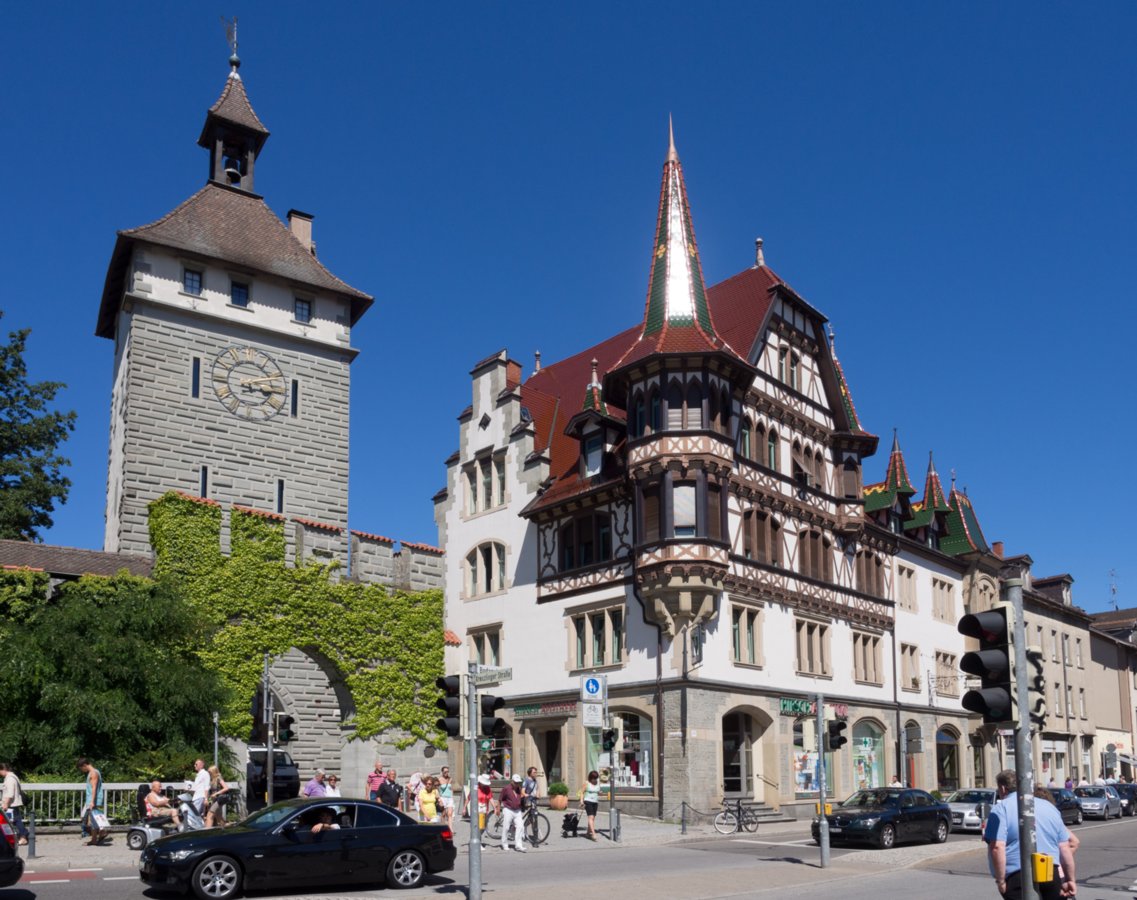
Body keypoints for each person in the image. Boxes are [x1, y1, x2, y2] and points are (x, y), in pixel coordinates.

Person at [984, 769, 1075, 899]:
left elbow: (997, 847)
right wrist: (1070, 879)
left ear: (1003, 788)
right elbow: (1064, 848)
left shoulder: (1000, 809)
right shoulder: (1049, 807)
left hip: (1017, 875)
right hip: (1050, 872)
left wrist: (1001, 880)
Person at [78, 758, 107, 845]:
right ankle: (94, 839)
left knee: (92, 818)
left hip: (92, 799)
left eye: (81, 768)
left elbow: (94, 788)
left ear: (84, 765)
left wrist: (92, 802)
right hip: (91, 799)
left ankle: (102, 831)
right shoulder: (94, 772)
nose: (82, 771)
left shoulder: (93, 773)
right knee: (93, 819)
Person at [0, 763, 28, 846]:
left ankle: (23, 837)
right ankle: (23, 836)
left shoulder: (9, 779)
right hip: (13, 803)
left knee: (15, 821)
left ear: (3, 769)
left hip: (11, 804)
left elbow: (10, 794)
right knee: (16, 821)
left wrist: (5, 804)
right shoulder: (13, 777)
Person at [499, 773, 527, 851]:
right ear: (512, 781)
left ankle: (518, 845)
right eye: (515, 782)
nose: (517, 784)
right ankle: (504, 844)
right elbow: (500, 798)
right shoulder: (506, 788)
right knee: (506, 827)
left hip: (517, 810)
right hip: (508, 809)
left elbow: (522, 796)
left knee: (520, 826)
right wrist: (498, 809)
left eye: (518, 783)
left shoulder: (519, 788)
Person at [578, 770, 601, 842]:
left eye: (596, 778)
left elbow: (598, 792)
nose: (594, 780)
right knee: (590, 817)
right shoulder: (586, 783)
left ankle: (588, 833)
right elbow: (582, 792)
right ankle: (593, 834)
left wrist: (600, 792)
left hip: (595, 802)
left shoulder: (597, 783)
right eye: (593, 778)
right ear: (590, 778)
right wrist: (581, 801)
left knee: (593, 818)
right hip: (588, 801)